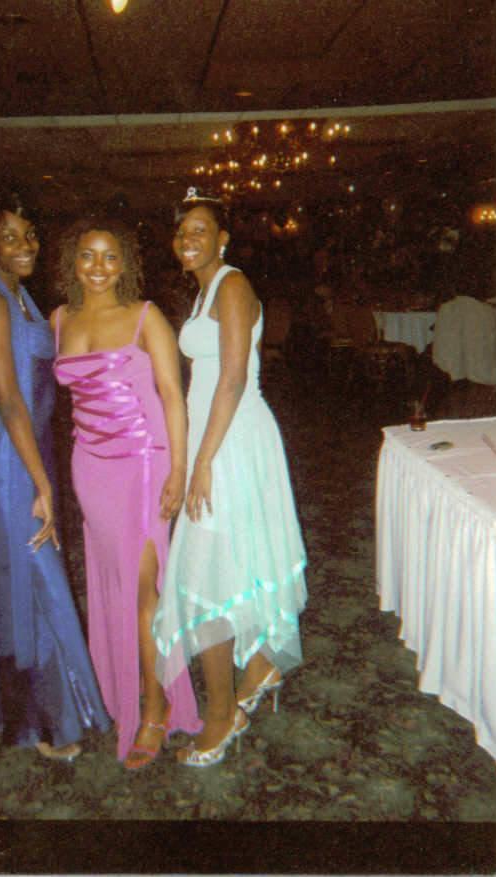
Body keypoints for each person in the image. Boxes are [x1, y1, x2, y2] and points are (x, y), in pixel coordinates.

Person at [152, 188, 308, 767]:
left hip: (231, 442)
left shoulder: (233, 285)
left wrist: (203, 462)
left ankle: (223, 713)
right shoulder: (204, 293)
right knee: (224, 565)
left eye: (200, 229)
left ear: (223, 238)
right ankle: (260, 664)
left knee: (206, 574)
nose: (187, 239)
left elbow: (234, 378)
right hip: (217, 438)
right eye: (181, 231)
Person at [0, 192, 109, 761]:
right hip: (8, 455)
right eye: (10, 237)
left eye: (30, 235)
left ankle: (31, 710)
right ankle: (40, 721)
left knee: (27, 574)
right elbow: (11, 400)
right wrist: (42, 483)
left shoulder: (19, 296)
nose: (25, 246)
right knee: (33, 574)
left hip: (26, 448)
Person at [52, 216, 201, 768]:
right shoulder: (59, 319)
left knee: (144, 593)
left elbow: (172, 394)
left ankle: (156, 707)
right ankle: (125, 689)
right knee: (113, 582)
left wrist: (178, 469)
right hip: (89, 468)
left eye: (110, 256)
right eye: (88, 255)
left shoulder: (145, 316)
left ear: (125, 265)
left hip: (143, 464)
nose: (98, 266)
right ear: (72, 262)